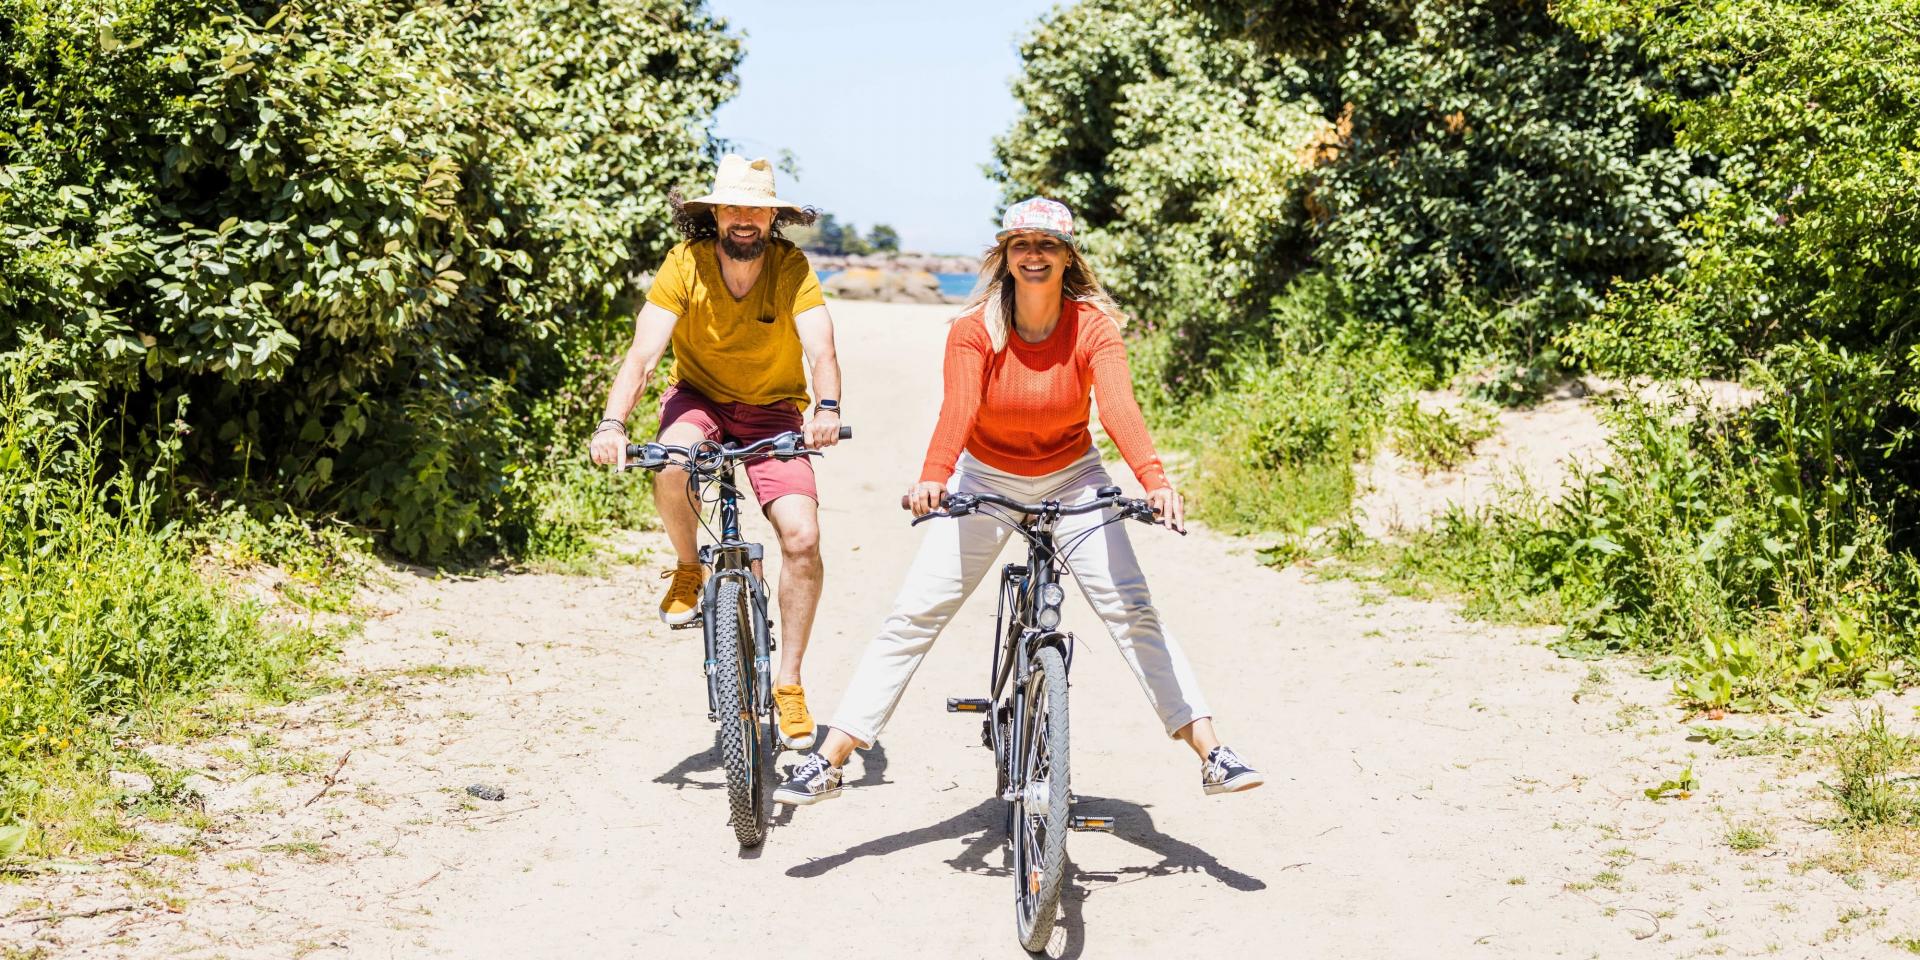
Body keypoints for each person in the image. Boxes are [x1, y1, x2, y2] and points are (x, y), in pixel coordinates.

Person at [774, 197, 1261, 805]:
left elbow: (1118, 408)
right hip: (987, 479)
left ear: (1067, 257)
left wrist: (1156, 481)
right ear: (1005, 256)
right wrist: (933, 477)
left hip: (1073, 476)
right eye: (1021, 245)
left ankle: (1212, 752)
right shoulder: (974, 329)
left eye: (1047, 245)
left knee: (1133, 610)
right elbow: (959, 409)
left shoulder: (1093, 327)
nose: (1034, 256)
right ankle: (829, 761)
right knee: (914, 615)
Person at [589, 154, 842, 750]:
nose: (744, 219)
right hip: (698, 400)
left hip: (774, 409)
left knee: (802, 536)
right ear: (714, 214)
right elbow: (643, 354)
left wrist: (827, 409)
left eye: (756, 209)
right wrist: (612, 424)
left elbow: (821, 349)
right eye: (733, 207)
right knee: (671, 461)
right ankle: (688, 566)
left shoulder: (791, 266)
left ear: (773, 218)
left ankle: (789, 683)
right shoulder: (685, 263)